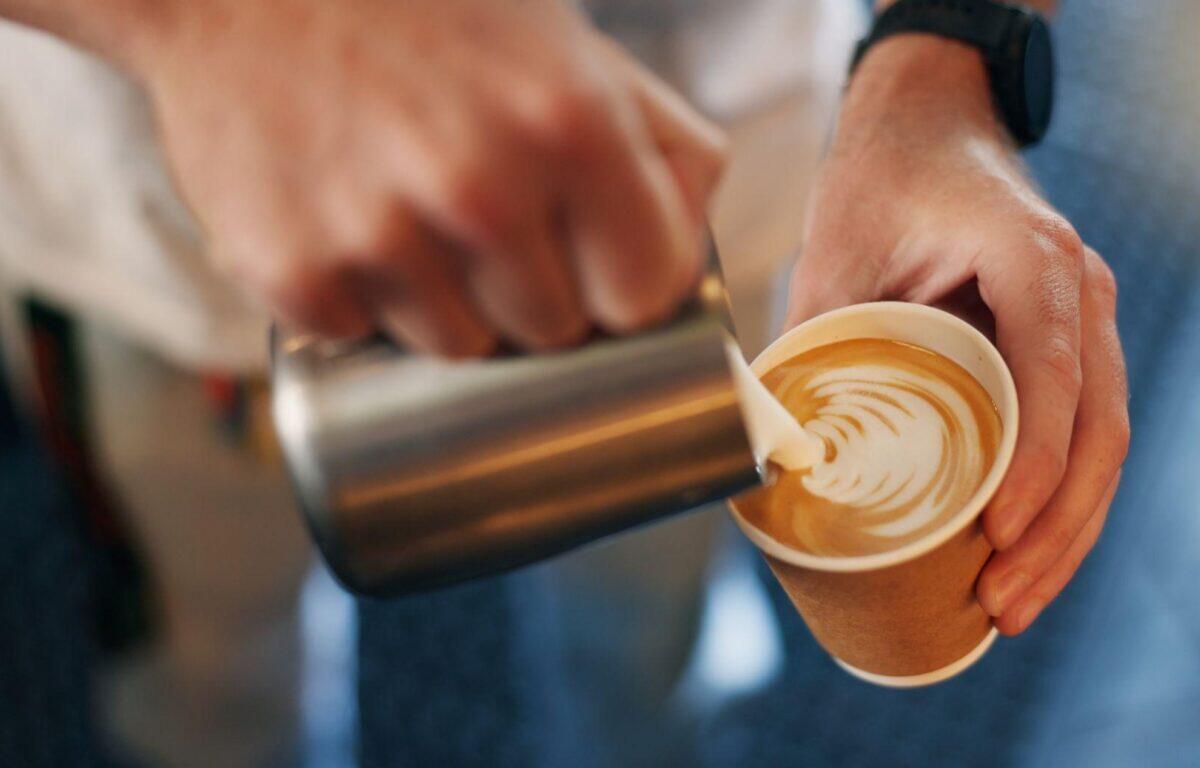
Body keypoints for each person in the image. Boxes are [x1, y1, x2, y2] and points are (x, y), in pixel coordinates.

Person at [0, 0, 1128, 765]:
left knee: (657, 636)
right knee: (217, 687)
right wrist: (211, 24)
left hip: (733, 188)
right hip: (169, 248)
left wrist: (944, 55)